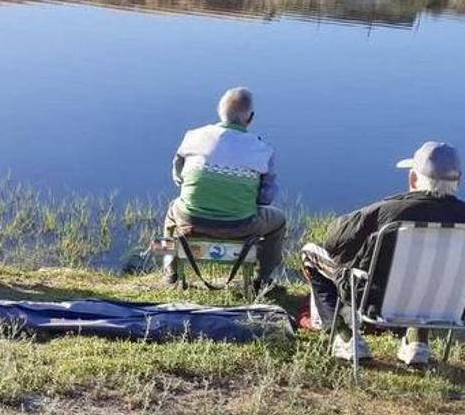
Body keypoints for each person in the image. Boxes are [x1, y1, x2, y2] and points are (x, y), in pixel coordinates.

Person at [303, 142, 465, 366]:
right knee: (431, 275)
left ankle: (346, 336)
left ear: (413, 179)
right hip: (446, 308)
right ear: (458, 181)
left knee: (310, 253)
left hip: (376, 302)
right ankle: (417, 343)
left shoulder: (388, 211)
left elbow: (333, 239)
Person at [163, 87, 286, 291]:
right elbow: (266, 198)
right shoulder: (262, 150)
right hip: (240, 227)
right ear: (250, 118)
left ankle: (170, 272)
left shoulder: (192, 137)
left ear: (219, 111)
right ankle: (263, 279)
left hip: (190, 222)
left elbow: (179, 178)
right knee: (279, 221)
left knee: (171, 213)